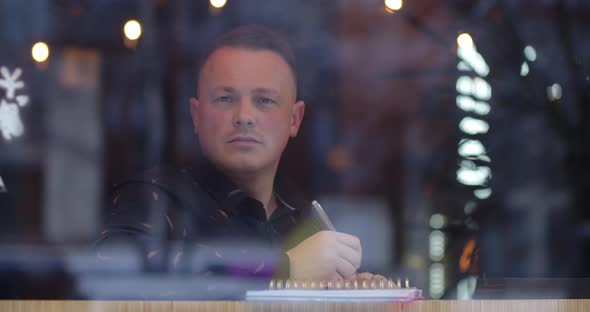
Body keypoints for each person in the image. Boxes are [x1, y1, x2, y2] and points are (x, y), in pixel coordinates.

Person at [95, 24, 383, 299]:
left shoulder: (303, 220)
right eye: (224, 98)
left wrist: (354, 296)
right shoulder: (151, 201)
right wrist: (284, 271)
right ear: (196, 115)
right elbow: (116, 295)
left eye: (264, 101)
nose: (244, 115)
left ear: (294, 119)